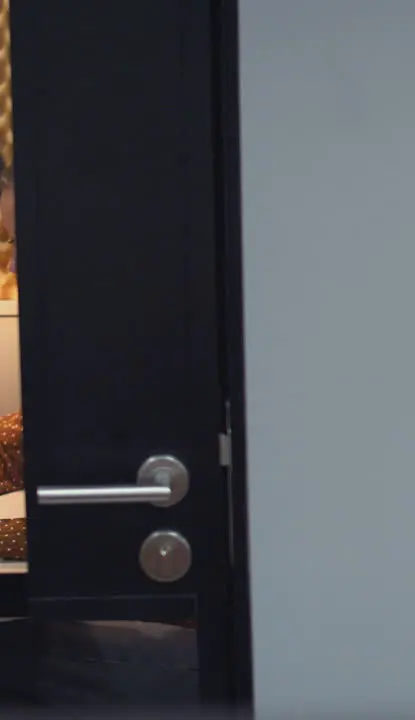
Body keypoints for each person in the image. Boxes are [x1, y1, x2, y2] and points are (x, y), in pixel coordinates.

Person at [0, 156, 199, 707]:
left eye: (22, 245)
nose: (13, 263)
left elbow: (83, 486)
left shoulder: (143, 343)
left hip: (186, 638)